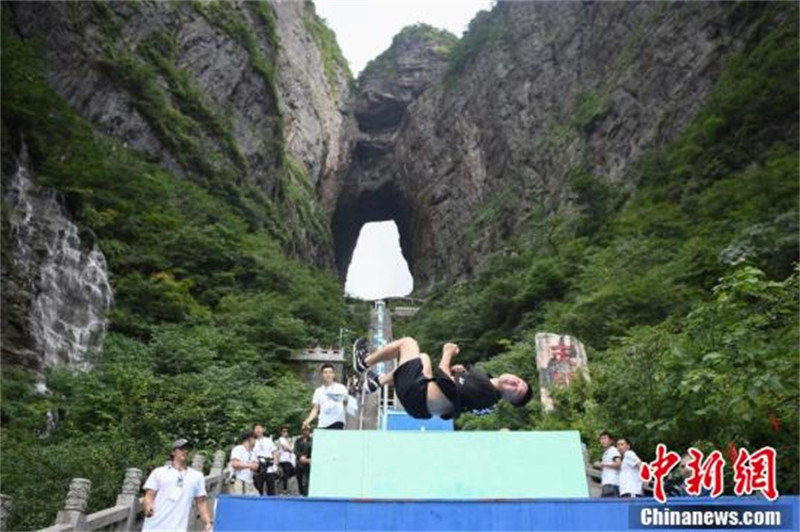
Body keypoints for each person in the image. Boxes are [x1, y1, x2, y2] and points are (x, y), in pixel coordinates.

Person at [354, 337, 532, 420]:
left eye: (516, 390)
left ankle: (363, 362)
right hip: (421, 403)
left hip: (418, 394)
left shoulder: (487, 390)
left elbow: (444, 378)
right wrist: (459, 373)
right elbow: (457, 397)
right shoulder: (487, 392)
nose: (515, 383)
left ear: (509, 400)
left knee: (408, 343)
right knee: (422, 358)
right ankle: (376, 382)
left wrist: (447, 354)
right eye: (519, 381)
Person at [142, 438, 212, 532]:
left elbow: (201, 502)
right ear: (173, 452)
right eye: (181, 449)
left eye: (188, 449)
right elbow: (149, 495)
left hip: (179, 527)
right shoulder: (159, 472)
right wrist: (148, 505)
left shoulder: (197, 476)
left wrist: (208, 523)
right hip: (154, 526)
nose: (185, 451)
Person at [303, 364, 349, 430]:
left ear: (333, 374)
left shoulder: (341, 388)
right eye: (325, 372)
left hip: (337, 422)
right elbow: (315, 409)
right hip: (323, 423)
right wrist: (308, 421)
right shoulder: (318, 391)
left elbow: (346, 402)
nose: (328, 375)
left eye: (330, 372)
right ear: (322, 375)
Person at [253, 424, 280, 496]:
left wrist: (275, 465)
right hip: (258, 468)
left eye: (259, 428)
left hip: (269, 468)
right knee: (258, 490)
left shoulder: (268, 440)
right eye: (256, 428)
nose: (258, 430)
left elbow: (275, 452)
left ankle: (272, 505)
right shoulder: (253, 441)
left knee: (271, 490)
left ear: (263, 430)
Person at [230, 430, 259, 495]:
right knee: (240, 502)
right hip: (240, 480)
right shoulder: (238, 449)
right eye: (254, 438)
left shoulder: (252, 452)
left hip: (250, 482)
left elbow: (256, 465)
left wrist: (255, 466)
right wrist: (250, 466)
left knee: (256, 498)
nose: (255, 440)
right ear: (249, 439)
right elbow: (235, 464)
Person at [593, 431, 621, 497]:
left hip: (611, 483)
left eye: (605, 438)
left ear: (611, 441)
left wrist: (603, 464)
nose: (603, 441)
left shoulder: (613, 450)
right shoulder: (606, 453)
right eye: (601, 439)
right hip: (607, 484)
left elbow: (618, 463)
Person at [293, 425, 313, 496]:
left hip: (308, 462)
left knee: (307, 480)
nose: (305, 432)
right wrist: (300, 456)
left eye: (307, 430)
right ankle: (301, 493)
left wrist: (309, 459)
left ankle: (306, 493)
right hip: (299, 463)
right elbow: (295, 450)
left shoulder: (312, 440)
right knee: (300, 479)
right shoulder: (298, 440)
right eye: (304, 430)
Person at [277, 426, 297, 493]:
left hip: (289, 459)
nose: (285, 433)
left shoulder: (289, 440)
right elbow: (286, 448)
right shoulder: (281, 439)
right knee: (286, 474)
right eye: (283, 431)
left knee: (289, 473)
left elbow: (291, 449)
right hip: (283, 459)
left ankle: (283, 485)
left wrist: (290, 449)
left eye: (286, 431)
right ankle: (284, 489)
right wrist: (290, 449)